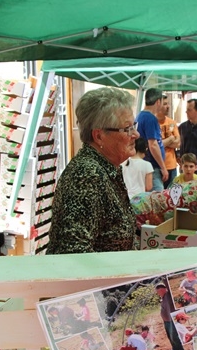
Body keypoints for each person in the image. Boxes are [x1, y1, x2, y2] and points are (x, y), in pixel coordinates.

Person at [46, 87, 137, 254]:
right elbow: (72, 252)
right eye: (127, 129)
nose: (136, 134)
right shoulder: (87, 175)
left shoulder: (106, 168)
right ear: (99, 136)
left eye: (134, 126)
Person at [137, 88, 168, 191]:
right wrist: (163, 167)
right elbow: (153, 144)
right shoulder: (151, 118)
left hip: (145, 163)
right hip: (152, 166)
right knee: (157, 199)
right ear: (158, 102)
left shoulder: (140, 116)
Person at [156, 94, 180, 187]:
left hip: (172, 166)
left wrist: (162, 142)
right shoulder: (152, 122)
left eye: (168, 104)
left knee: (172, 196)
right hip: (157, 167)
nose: (168, 106)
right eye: (165, 104)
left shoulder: (172, 122)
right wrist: (170, 139)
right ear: (158, 105)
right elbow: (154, 145)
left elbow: (178, 143)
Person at [155, 282, 184, 350]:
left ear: (164, 289)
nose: (159, 293)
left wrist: (164, 277)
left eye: (160, 291)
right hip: (166, 321)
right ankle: (175, 349)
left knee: (174, 336)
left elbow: (167, 283)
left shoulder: (168, 295)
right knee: (170, 336)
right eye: (158, 292)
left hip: (171, 320)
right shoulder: (163, 298)